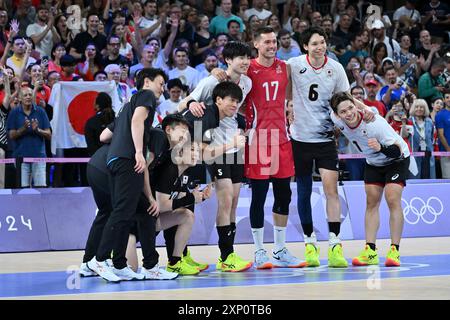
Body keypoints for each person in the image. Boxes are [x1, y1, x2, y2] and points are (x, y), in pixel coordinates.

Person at [287, 27, 372, 268]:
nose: (320, 46)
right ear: (305, 46)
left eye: (322, 42)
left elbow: (345, 98)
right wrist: (287, 106)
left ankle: (335, 245)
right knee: (303, 192)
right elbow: (278, 85)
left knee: (330, 189)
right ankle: (310, 244)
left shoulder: (335, 68)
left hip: (325, 139)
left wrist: (363, 109)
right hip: (300, 139)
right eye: (314, 43)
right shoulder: (293, 65)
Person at [178, 41, 253, 271]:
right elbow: (184, 103)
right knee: (225, 198)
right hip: (212, 148)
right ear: (228, 60)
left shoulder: (247, 82)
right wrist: (192, 105)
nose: (245, 61)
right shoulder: (212, 81)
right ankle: (225, 256)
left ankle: (227, 255)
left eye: (247, 57)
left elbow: (235, 112)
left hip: (234, 149)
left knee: (233, 202)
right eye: (240, 57)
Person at [87, 68, 167, 282]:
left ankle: (121, 263)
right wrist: (139, 152)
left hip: (113, 160)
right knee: (122, 212)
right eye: (160, 83)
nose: (162, 88)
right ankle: (100, 259)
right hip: (127, 160)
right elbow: (137, 122)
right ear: (147, 82)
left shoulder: (126, 106)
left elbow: (104, 136)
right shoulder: (146, 95)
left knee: (140, 210)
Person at [330, 92, 411, 267]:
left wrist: (380, 147)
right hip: (373, 162)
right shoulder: (336, 119)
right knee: (371, 203)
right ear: (337, 115)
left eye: (351, 108)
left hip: (396, 159)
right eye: (343, 112)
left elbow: (397, 150)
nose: (349, 114)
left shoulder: (375, 124)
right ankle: (370, 251)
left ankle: (394, 251)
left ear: (355, 105)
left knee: (392, 199)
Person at [244, 26, 301, 270]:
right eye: (266, 42)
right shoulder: (247, 69)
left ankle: (279, 249)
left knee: (284, 195)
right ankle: (259, 251)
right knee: (258, 196)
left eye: (274, 41)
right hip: (258, 141)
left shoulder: (285, 67)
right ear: (256, 44)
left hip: (282, 140)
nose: (271, 45)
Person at [7, 86, 51, 188]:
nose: (28, 97)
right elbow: (11, 135)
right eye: (25, 95)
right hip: (21, 158)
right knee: (23, 191)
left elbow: (49, 135)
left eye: (30, 95)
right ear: (20, 98)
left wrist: (37, 130)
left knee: (41, 190)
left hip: (39, 157)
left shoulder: (41, 111)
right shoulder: (14, 113)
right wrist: (23, 129)